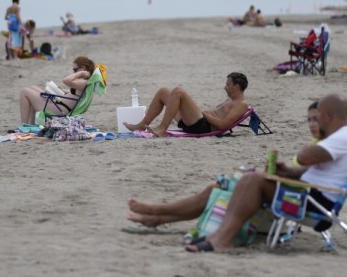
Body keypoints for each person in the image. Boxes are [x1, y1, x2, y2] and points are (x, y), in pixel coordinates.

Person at [127, 100, 325, 229]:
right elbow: (303, 175)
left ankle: (156, 213)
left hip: (293, 203)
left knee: (215, 190)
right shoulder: (322, 146)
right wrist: (283, 171)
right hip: (287, 193)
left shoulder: (327, 147)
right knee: (213, 189)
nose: (311, 124)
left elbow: (307, 178)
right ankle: (157, 217)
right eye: (309, 120)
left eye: (316, 120)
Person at [122, 73, 249, 137]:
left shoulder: (241, 104)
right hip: (197, 122)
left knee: (178, 91)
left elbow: (223, 125)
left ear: (237, 87)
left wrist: (203, 113)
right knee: (163, 92)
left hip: (203, 127)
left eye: (228, 85)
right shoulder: (230, 100)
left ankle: (162, 129)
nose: (224, 87)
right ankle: (141, 125)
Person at [17, 56, 95, 125]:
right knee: (33, 88)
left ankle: (24, 125)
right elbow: (75, 94)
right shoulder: (84, 81)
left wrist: (80, 73)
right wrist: (62, 91)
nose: (74, 72)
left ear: (84, 68)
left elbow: (66, 80)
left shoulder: (83, 81)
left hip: (58, 109)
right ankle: (30, 124)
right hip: (59, 104)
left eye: (75, 70)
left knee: (24, 92)